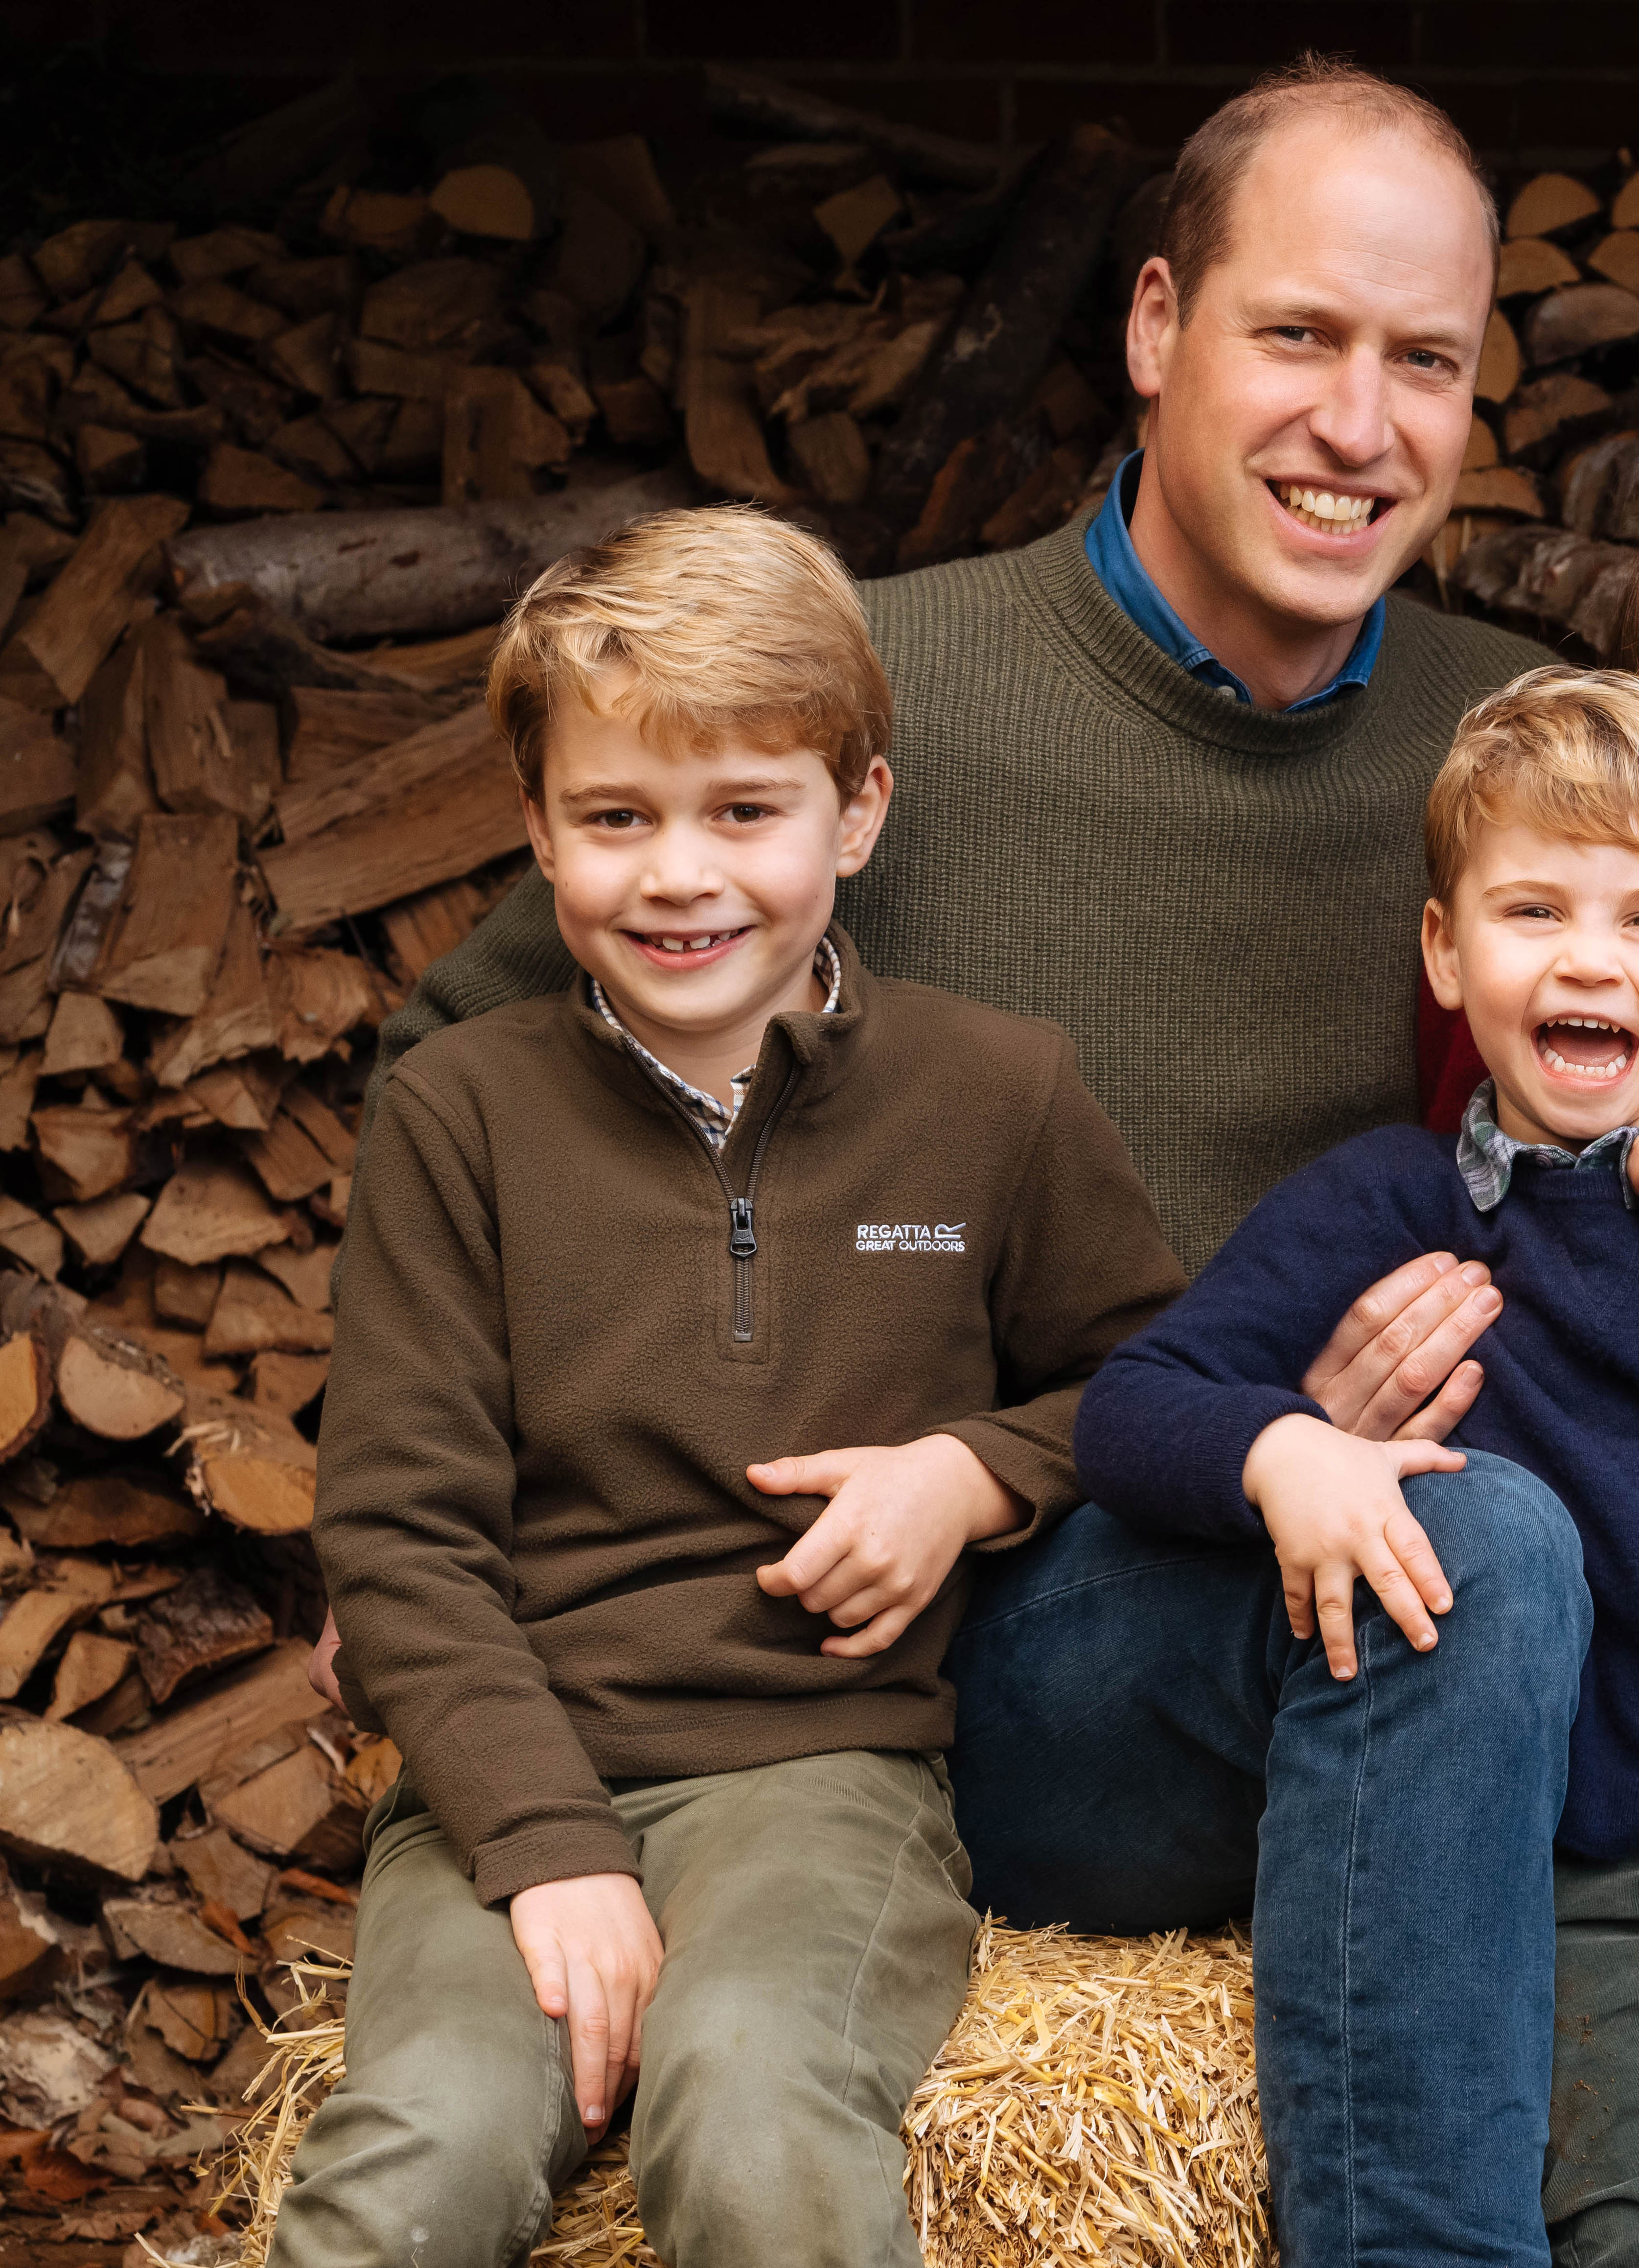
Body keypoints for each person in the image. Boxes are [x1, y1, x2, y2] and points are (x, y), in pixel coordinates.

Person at [339, 67, 1639, 2267]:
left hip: (1440, 1561)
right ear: (1156, 324)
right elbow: (480, 1068)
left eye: (1424, 362)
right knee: (1494, 1548)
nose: (1361, 423)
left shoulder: (1506, 729)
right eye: (1299, 337)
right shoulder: (896, 704)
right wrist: (789, 1461)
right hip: (1034, 1626)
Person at [280, 508, 1188, 2268]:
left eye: (743, 811)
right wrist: (552, 1852)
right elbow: (393, 1537)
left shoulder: (998, 1093)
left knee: (756, 2096)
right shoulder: (459, 1112)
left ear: (857, 810)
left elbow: (1150, 1380)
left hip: (822, 1773)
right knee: (418, 2156)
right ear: (538, 831)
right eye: (615, 818)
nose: (679, 874)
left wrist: (972, 1471)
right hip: (505, 1775)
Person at [1081, 667, 1639, 2267]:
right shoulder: (1387, 1206)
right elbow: (1135, 1407)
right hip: (1573, 1868)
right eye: (1533, 912)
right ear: (1448, 955)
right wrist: (1286, 1444)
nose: (1589, 958)